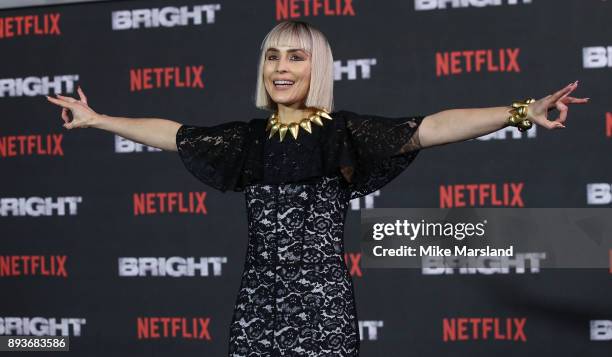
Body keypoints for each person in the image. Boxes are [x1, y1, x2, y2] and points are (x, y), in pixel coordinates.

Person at [46, 20, 587, 357]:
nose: (280, 67)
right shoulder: (246, 140)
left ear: (317, 67)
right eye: (272, 56)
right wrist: (98, 120)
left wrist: (520, 111)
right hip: (256, 308)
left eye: (295, 56)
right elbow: (175, 135)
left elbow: (434, 126)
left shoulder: (343, 132)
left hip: (321, 311)